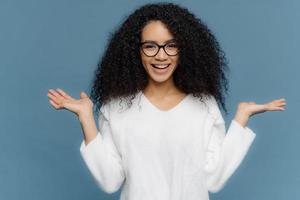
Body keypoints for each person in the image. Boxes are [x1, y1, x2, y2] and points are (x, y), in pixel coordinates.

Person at [47, 2, 286, 200]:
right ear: (136, 51)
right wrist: (86, 118)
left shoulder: (204, 105)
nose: (161, 55)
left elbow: (213, 179)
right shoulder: (116, 108)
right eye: (150, 46)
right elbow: (110, 182)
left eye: (171, 46)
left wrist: (241, 119)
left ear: (184, 50)